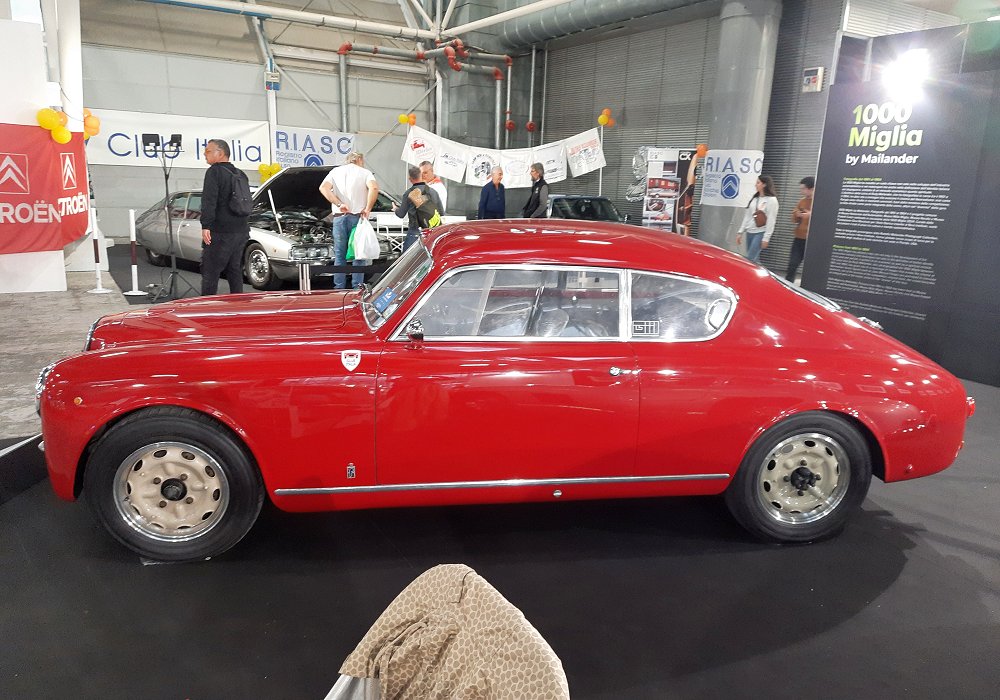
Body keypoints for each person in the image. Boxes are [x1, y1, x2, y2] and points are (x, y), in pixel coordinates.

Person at [319, 152, 379, 290]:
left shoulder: (335, 171)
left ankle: (339, 287)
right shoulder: (365, 173)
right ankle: (357, 287)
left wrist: (339, 204)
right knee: (359, 254)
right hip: (357, 218)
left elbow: (323, 188)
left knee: (340, 255)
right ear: (359, 160)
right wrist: (368, 208)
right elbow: (374, 188)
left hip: (339, 217)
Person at [199, 139, 250, 296]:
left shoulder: (214, 172)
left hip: (221, 231)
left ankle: (207, 307)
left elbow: (209, 200)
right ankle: (238, 304)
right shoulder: (240, 174)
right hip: (241, 230)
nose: (204, 155)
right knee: (234, 269)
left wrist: (206, 225)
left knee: (210, 271)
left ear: (220, 153)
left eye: (208, 151)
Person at [395, 165, 443, 251]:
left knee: (408, 261)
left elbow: (401, 214)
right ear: (422, 176)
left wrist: (395, 209)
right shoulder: (433, 192)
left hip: (415, 232)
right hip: (432, 232)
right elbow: (441, 212)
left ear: (410, 179)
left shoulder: (409, 193)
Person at [736, 175, 779, 264]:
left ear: (764, 185)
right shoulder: (755, 198)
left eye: (758, 182)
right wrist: (740, 231)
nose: (756, 185)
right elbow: (747, 216)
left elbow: (771, 220)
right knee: (754, 260)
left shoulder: (772, 200)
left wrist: (766, 238)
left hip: (760, 232)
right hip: (750, 231)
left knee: (750, 259)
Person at [786, 176, 814, 282]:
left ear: (811, 189)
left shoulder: (819, 202)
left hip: (811, 240)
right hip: (799, 238)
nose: (801, 191)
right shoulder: (801, 201)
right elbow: (794, 218)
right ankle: (788, 286)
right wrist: (797, 214)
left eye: (803, 188)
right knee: (792, 264)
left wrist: (810, 215)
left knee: (811, 268)